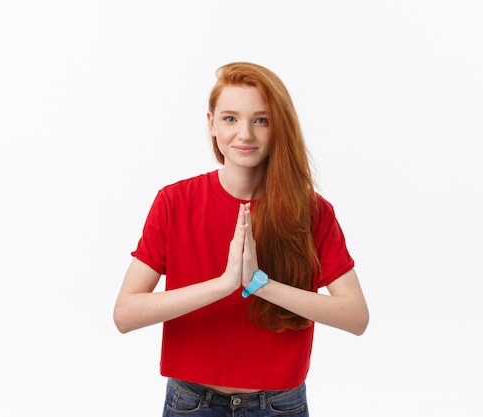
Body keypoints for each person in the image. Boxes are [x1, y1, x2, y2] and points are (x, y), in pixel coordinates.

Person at [113, 62, 369, 416]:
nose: (245, 134)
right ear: (212, 124)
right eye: (230, 118)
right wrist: (223, 285)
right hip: (192, 402)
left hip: (279, 405)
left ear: (278, 127)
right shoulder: (174, 202)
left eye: (261, 120)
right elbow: (125, 314)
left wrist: (259, 284)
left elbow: (355, 316)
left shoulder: (313, 211)